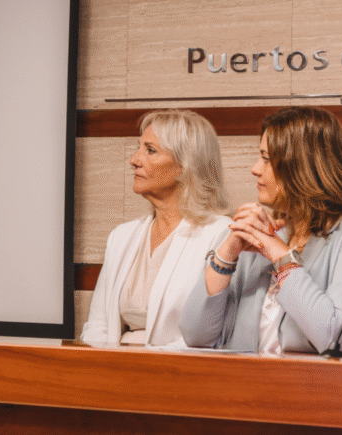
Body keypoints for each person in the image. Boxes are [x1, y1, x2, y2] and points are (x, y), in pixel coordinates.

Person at [180, 106, 342, 357]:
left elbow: (334, 336)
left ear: (303, 165)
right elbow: (196, 336)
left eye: (266, 159)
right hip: (255, 378)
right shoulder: (269, 233)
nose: (255, 168)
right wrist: (227, 254)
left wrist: (281, 257)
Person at [81, 109, 231, 346]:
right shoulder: (121, 236)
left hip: (177, 366)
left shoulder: (220, 233)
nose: (134, 160)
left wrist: (149, 365)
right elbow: (97, 326)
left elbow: (212, 335)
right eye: (139, 148)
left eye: (150, 150)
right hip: (113, 363)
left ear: (185, 165)